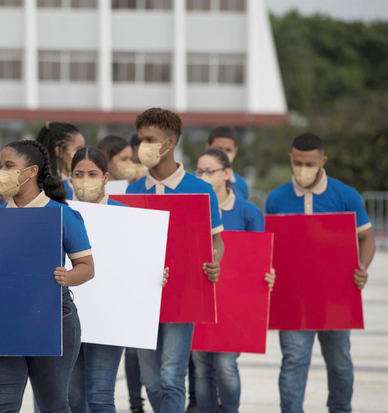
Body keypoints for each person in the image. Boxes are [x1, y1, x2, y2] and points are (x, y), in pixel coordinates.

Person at [265, 133, 375, 413]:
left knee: (340, 361)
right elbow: (271, 247)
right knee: (293, 360)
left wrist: (362, 267)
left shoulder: (346, 195)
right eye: (298, 162)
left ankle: (340, 409)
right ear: (290, 159)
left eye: (310, 163)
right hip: (293, 299)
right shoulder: (276, 199)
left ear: (322, 161)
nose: (303, 169)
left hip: (336, 297)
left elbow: (367, 238)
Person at [126, 108, 224, 413]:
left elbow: (216, 241)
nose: (142, 145)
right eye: (140, 139)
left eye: (149, 139)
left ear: (170, 142)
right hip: (143, 297)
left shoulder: (201, 190)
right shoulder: (132, 190)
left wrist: (215, 261)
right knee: (151, 380)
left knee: (171, 376)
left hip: (184, 296)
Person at [0, 139, 95, 413]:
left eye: (9, 166)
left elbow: (86, 266)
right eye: (0, 166)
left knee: (53, 406)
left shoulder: (63, 215)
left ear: (31, 171)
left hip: (53, 318)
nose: (2, 172)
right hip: (2, 320)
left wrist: (68, 277)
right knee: (0, 405)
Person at [67, 146, 168, 413]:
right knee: (72, 398)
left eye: (92, 173)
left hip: (109, 319)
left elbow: (140, 264)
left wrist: (156, 273)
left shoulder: (126, 218)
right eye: (79, 173)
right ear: (69, 177)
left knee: (100, 395)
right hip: (67, 318)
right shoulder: (60, 213)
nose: (85, 179)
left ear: (105, 177)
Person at [191, 148, 276, 413]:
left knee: (226, 365)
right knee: (202, 366)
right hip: (200, 297)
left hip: (234, 302)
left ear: (227, 174)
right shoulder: (193, 208)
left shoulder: (249, 213)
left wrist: (267, 274)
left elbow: (257, 257)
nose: (203, 176)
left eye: (210, 171)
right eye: (199, 171)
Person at [36, 121, 86, 199]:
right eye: (78, 149)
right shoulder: (53, 189)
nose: (83, 154)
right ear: (59, 151)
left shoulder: (73, 182)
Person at [205, 126, 249, 200]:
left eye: (228, 150)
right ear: (207, 148)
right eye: (218, 149)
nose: (223, 154)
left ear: (235, 151)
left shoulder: (241, 185)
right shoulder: (193, 182)